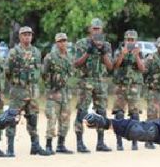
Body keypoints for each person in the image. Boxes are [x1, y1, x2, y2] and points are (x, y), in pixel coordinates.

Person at [6, 26, 49, 156]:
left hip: (33, 91)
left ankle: (35, 146)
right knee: (12, 119)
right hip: (18, 91)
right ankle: (10, 148)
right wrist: (16, 83)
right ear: (20, 37)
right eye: (24, 35)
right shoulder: (14, 52)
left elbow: (39, 70)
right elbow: (8, 71)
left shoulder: (36, 51)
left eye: (29, 34)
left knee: (33, 119)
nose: (27, 37)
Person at [73, 18, 113, 153]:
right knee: (82, 111)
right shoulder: (82, 43)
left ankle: (100, 143)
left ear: (102, 30)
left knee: (101, 112)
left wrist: (102, 53)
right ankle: (79, 143)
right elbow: (76, 63)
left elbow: (110, 66)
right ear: (90, 29)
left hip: (101, 82)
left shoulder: (106, 45)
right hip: (86, 81)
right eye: (94, 28)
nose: (96, 31)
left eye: (99, 29)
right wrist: (88, 52)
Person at [111, 29, 145, 151]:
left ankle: (134, 142)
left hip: (134, 86)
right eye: (128, 39)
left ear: (136, 41)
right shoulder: (119, 51)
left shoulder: (139, 52)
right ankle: (119, 142)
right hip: (121, 86)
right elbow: (114, 66)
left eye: (132, 40)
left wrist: (136, 56)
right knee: (119, 114)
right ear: (124, 40)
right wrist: (122, 54)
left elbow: (142, 69)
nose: (130, 42)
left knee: (134, 115)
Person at [41, 32, 74, 155]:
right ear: (56, 43)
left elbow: (71, 72)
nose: (63, 43)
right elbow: (44, 74)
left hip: (65, 93)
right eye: (60, 41)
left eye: (64, 40)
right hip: (53, 93)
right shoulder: (50, 57)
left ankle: (61, 144)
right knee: (52, 118)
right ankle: (49, 145)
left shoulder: (69, 57)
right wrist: (53, 82)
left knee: (65, 119)